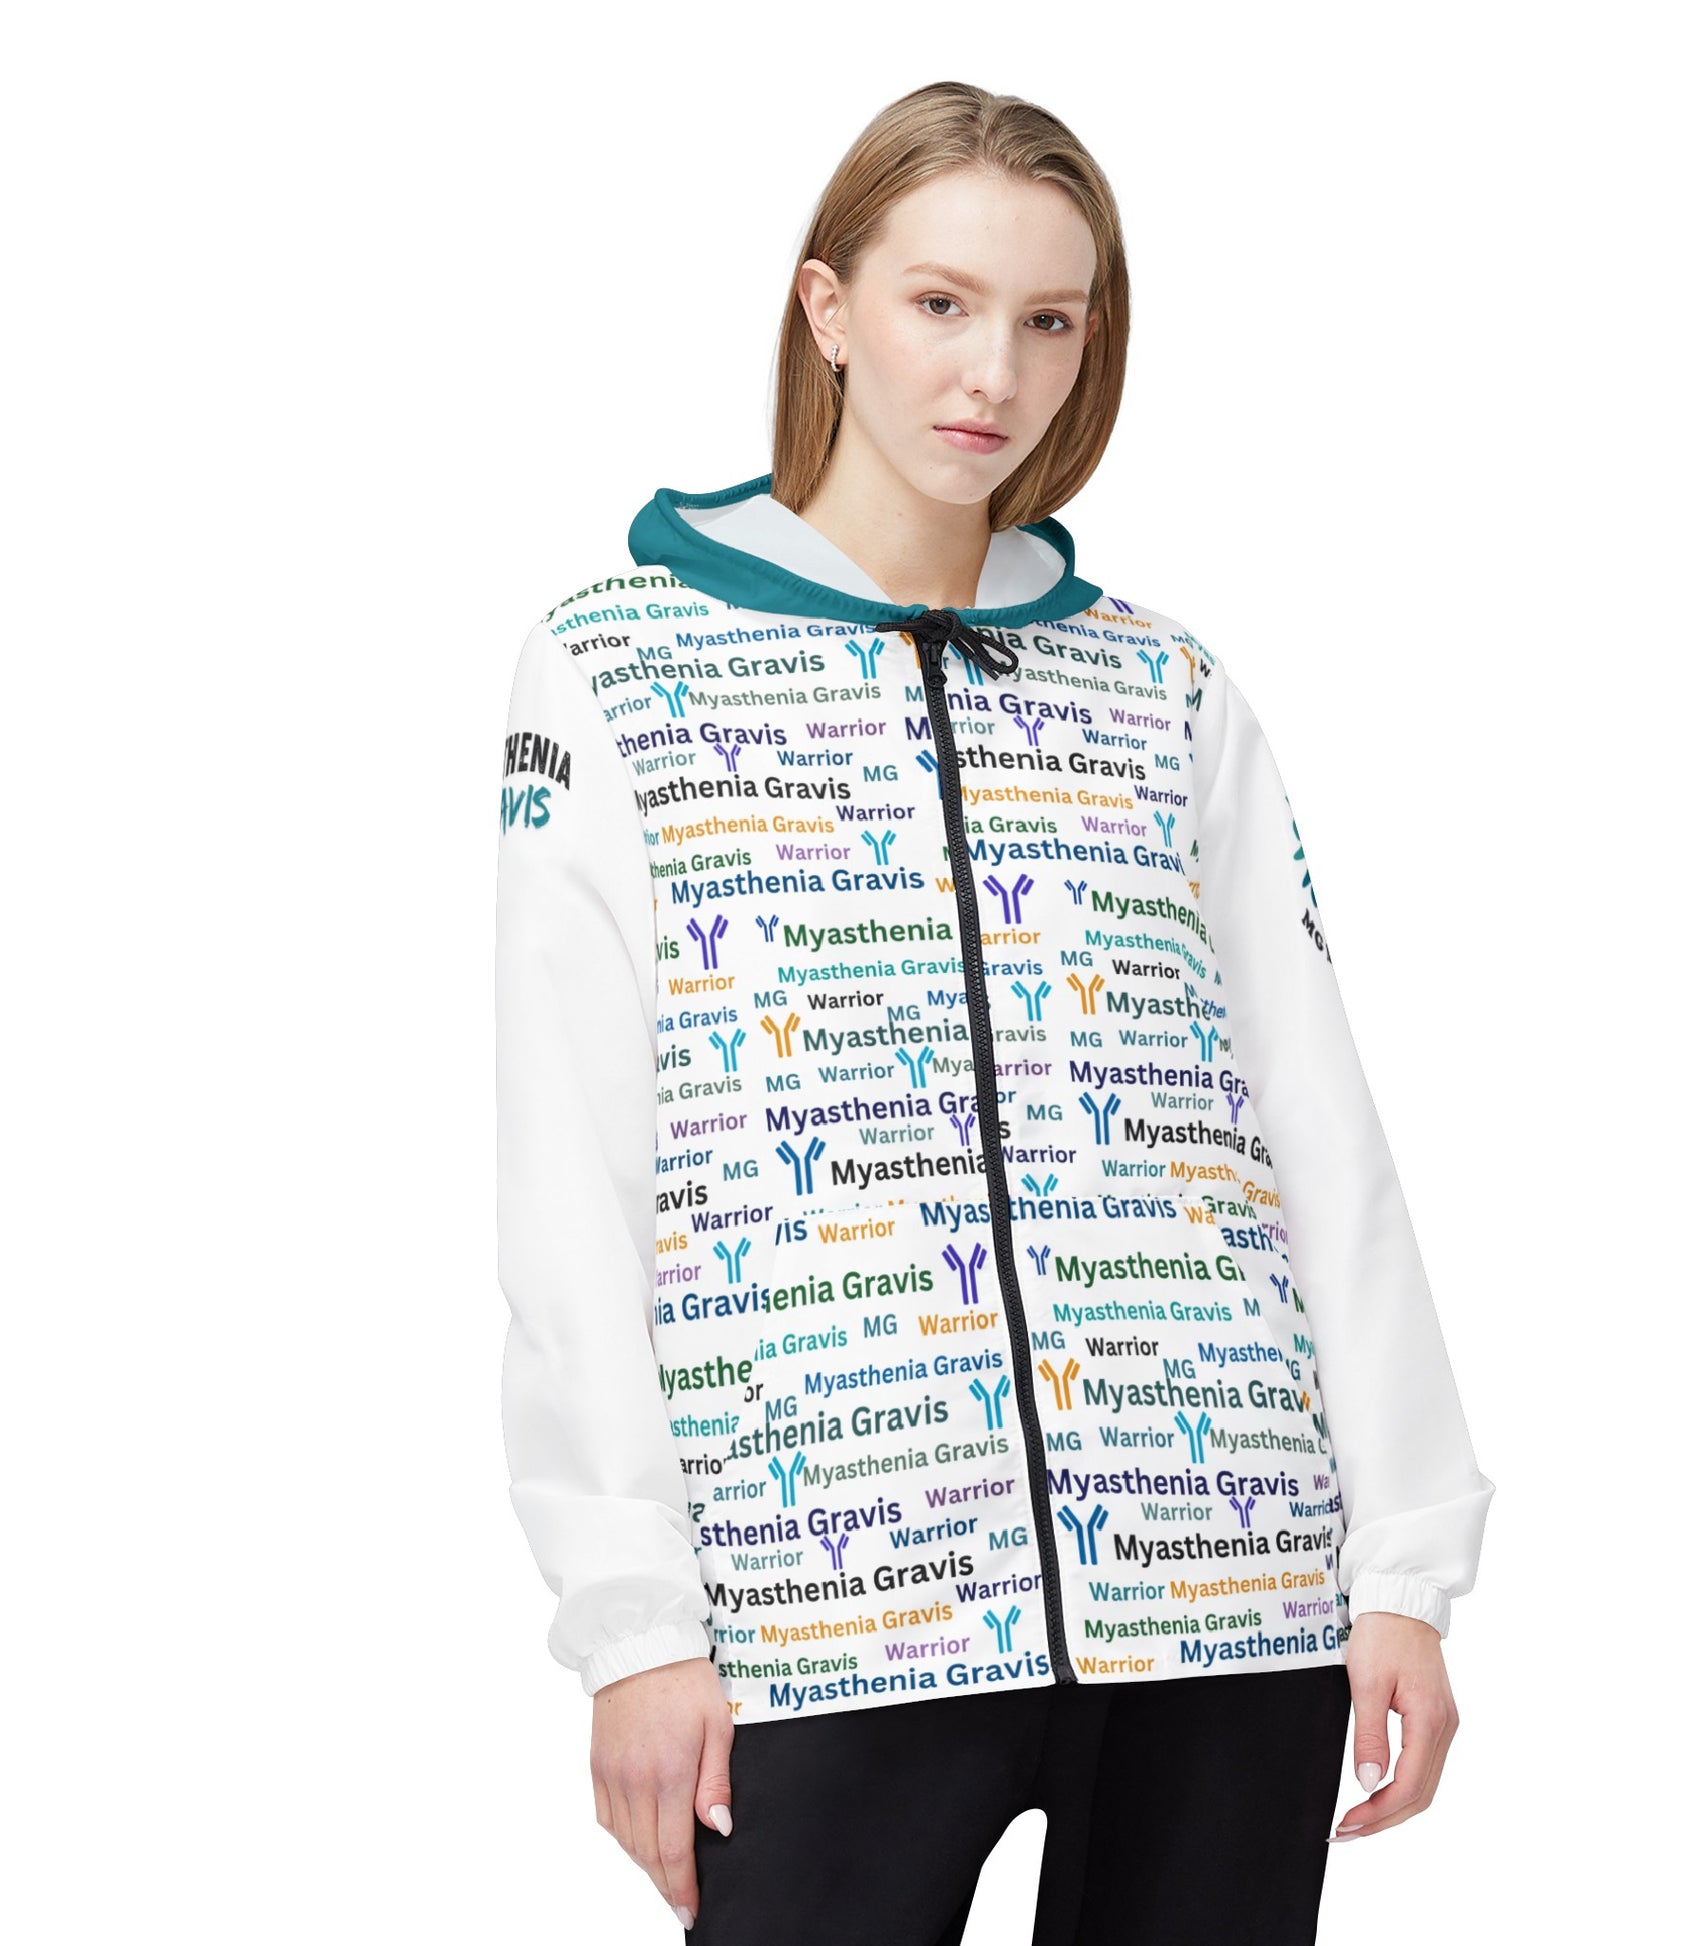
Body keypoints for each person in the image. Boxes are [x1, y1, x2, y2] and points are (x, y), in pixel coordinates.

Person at [494, 79, 1496, 1945]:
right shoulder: (616, 666)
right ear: (827, 309)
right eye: (940, 303)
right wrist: (631, 1622)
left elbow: (1315, 1124)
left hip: (1224, 1578)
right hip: (831, 1599)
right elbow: (572, 1170)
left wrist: (1405, 1563)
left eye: (1049, 319)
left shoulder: (1162, 687)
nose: (994, 374)